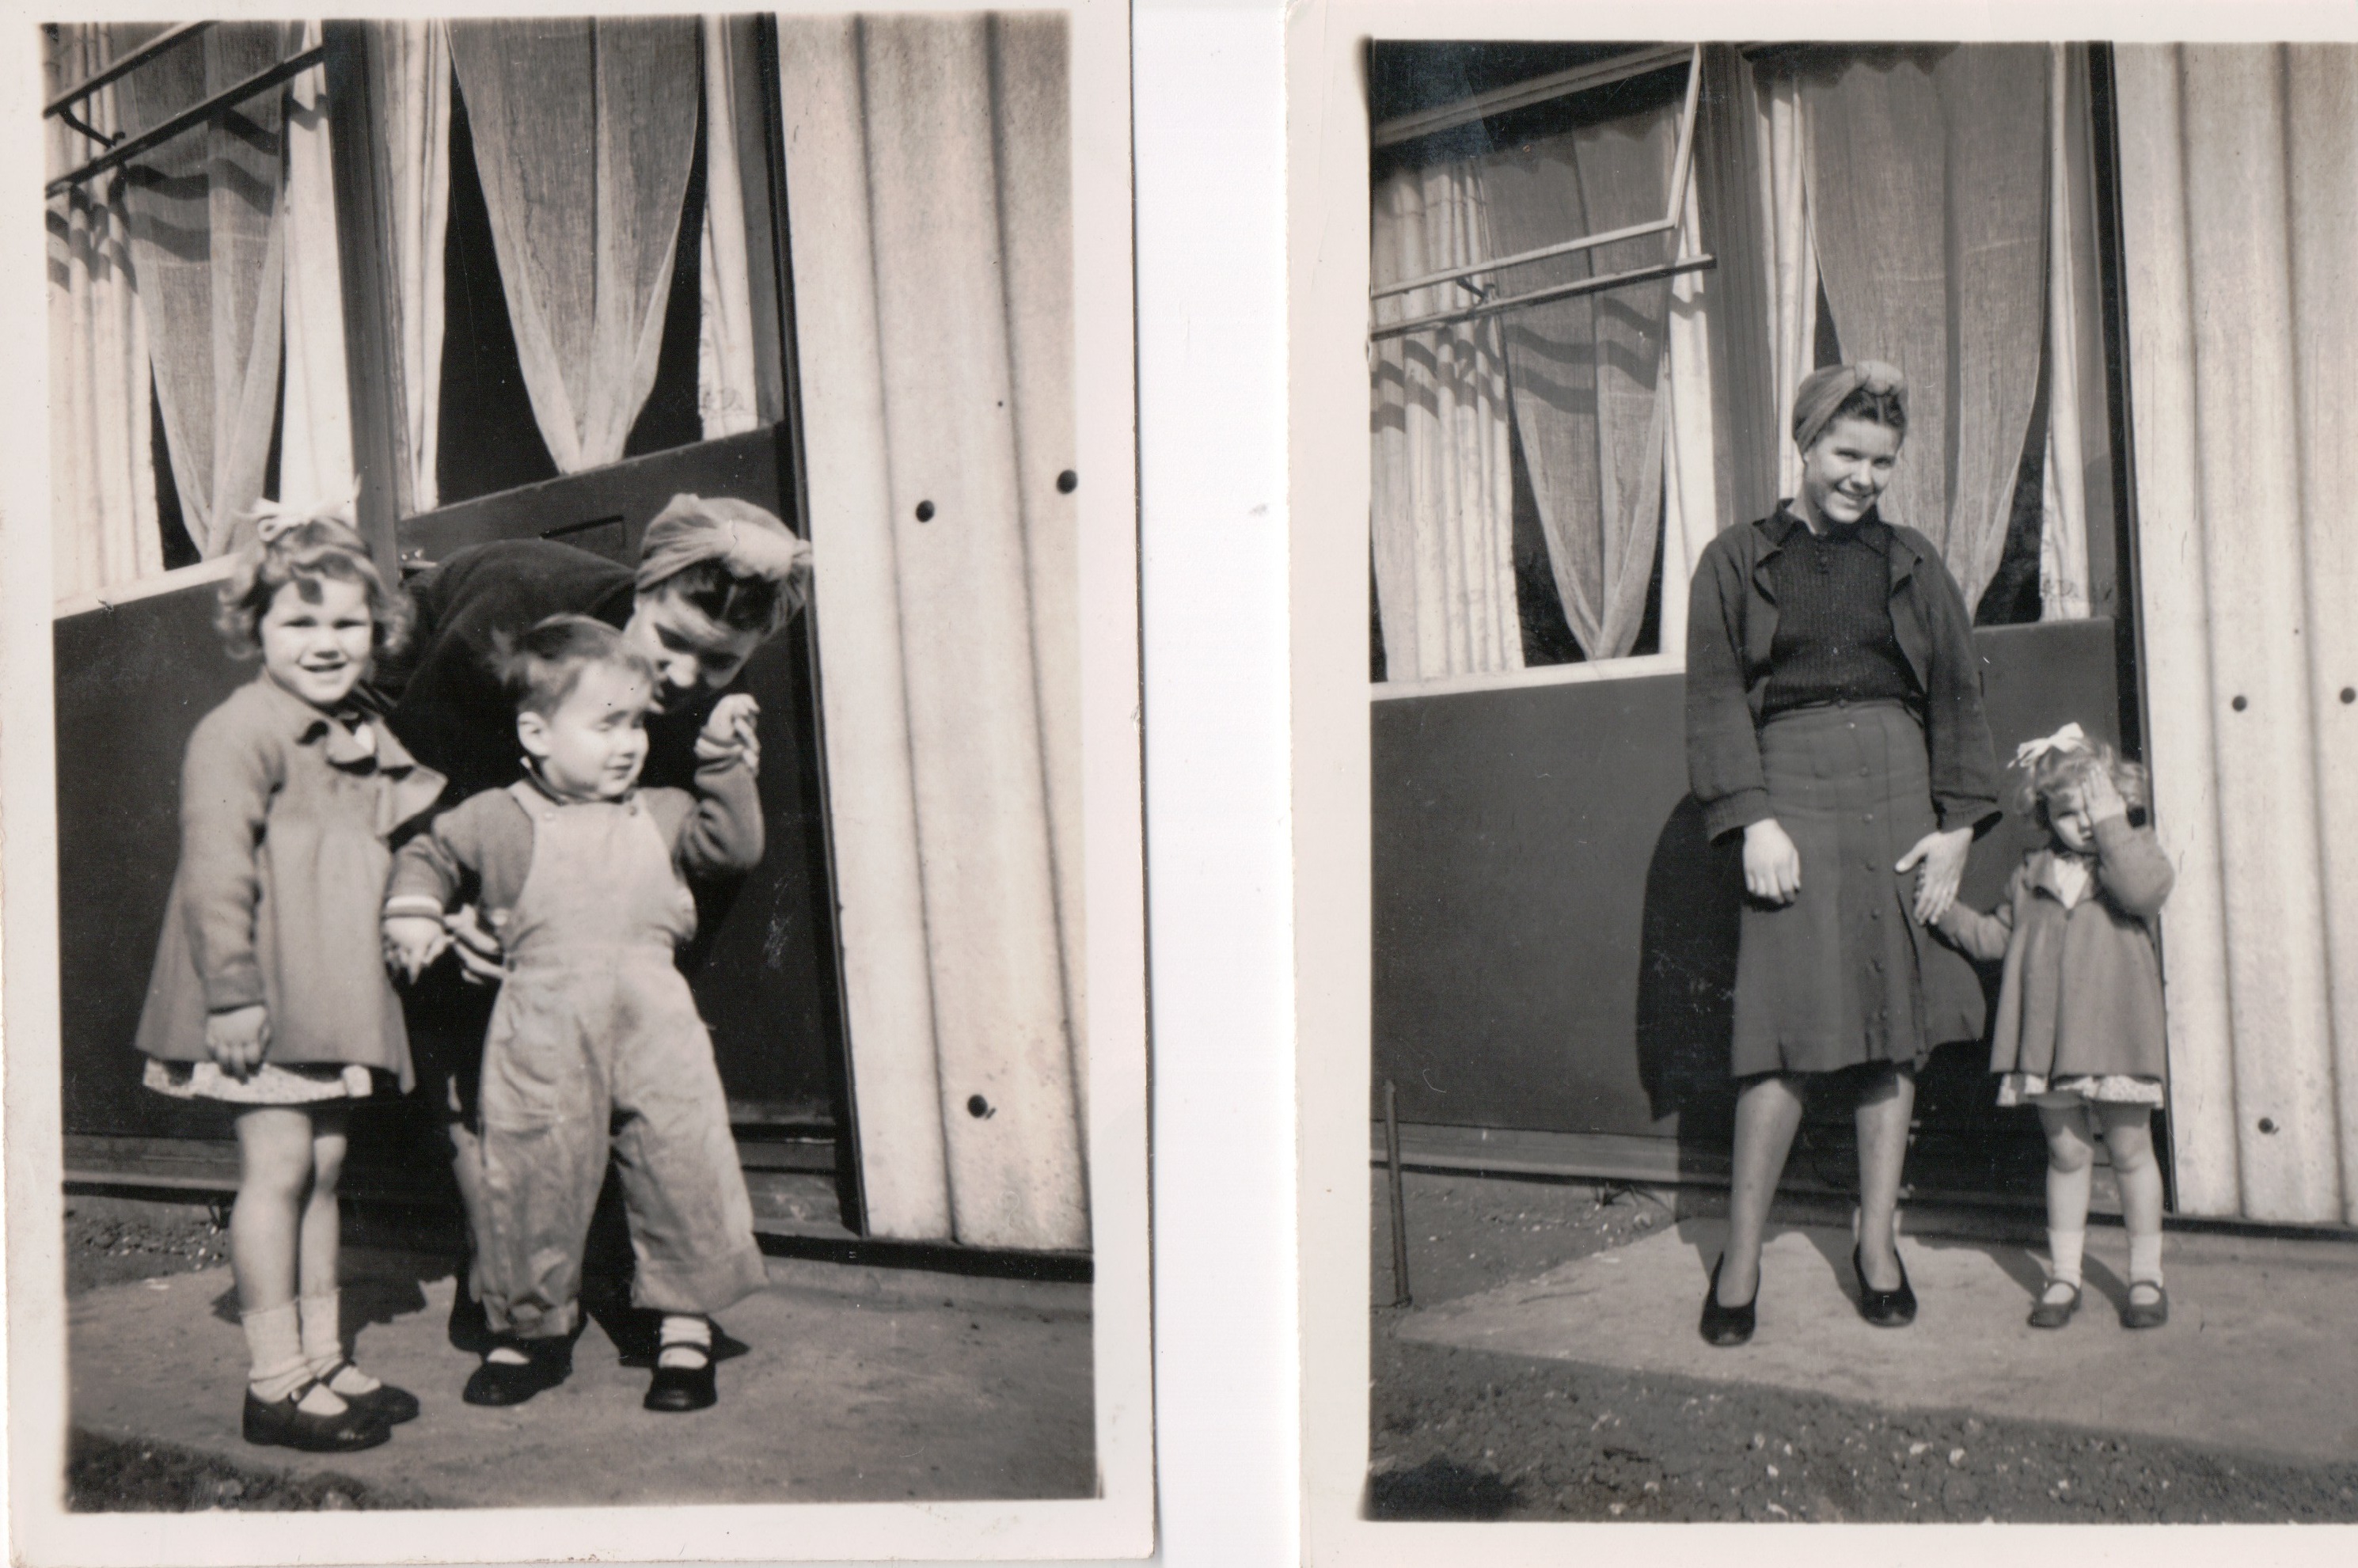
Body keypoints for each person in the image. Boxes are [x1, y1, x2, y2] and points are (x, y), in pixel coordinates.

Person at [372, 495, 809, 1353]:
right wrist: (460, 911)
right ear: (642, 591)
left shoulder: (708, 711)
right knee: (451, 1007)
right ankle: (493, 1255)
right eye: (670, 641)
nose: (684, 676)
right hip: (404, 686)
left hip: (511, 773)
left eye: (718, 661)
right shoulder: (514, 622)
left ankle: (621, 1256)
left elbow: (683, 871)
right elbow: (421, 788)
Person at [1684, 361, 2001, 1346]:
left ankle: (1877, 1245)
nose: (1864, 476)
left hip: (1900, 795)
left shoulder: (1910, 559)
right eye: (1846, 454)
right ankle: (1740, 1259)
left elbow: (1956, 695)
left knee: (1888, 1025)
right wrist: (1752, 818)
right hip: (1793, 794)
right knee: (1779, 1034)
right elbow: (1712, 696)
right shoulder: (1738, 559)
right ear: (1805, 445)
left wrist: (1956, 826)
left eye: (1881, 461)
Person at [134, 509, 446, 1452]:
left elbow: (397, 835)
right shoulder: (240, 732)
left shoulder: (356, 727)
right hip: (262, 998)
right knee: (276, 1168)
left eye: (346, 624)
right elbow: (216, 869)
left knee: (324, 1167)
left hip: (330, 993)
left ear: (377, 631)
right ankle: (273, 1383)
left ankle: (320, 1356)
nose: (324, 643)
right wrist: (231, 993)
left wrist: (432, 905)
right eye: (298, 624)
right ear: (255, 630)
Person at [1933, 724, 2174, 1329]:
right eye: (2069, 813)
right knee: (2067, 1155)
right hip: (2047, 1046)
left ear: (2118, 801)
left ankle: (2145, 1277)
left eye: (2097, 808)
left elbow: (2145, 891)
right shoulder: (2030, 873)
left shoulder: (2130, 858)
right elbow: (1993, 939)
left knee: (2128, 1151)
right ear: (2045, 815)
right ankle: (2064, 1275)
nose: (2085, 823)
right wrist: (1944, 913)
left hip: (2114, 1040)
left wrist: (2114, 822)